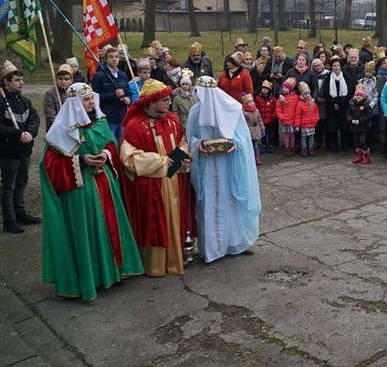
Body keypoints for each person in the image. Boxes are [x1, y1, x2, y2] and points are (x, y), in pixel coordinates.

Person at [40, 82, 143, 299]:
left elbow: (112, 145)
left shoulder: (100, 122)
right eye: (85, 100)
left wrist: (106, 154)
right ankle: (94, 277)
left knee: (111, 226)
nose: (90, 103)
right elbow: (49, 164)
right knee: (89, 230)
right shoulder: (61, 131)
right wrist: (80, 160)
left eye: (91, 99)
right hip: (82, 190)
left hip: (106, 184)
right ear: (75, 103)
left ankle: (116, 271)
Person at [120, 79, 193, 277]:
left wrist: (182, 157)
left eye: (169, 99)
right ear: (152, 103)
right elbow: (128, 158)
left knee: (175, 218)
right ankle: (155, 265)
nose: (169, 103)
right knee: (155, 224)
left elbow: (182, 142)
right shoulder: (134, 127)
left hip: (174, 181)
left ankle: (176, 257)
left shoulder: (172, 120)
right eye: (164, 100)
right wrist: (161, 162)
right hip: (151, 186)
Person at [187, 76, 261, 262]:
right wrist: (198, 145)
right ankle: (213, 249)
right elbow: (190, 138)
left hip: (228, 167)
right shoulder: (196, 112)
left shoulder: (231, 109)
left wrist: (235, 144)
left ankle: (237, 243)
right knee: (209, 204)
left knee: (231, 203)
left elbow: (243, 138)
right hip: (207, 168)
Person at [0, 61, 42, 234]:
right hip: (9, 151)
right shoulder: (2, 103)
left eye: (21, 80)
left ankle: (21, 212)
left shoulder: (25, 101)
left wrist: (30, 133)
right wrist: (17, 134)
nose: (21, 83)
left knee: (21, 182)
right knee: (8, 185)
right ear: (6, 82)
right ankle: (9, 219)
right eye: (17, 80)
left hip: (25, 149)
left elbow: (34, 119)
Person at [91, 45, 130, 141]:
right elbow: (96, 97)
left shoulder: (123, 75)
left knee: (121, 143)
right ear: (106, 59)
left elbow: (127, 91)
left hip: (122, 117)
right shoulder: (100, 76)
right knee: (110, 143)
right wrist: (113, 95)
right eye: (111, 57)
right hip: (108, 117)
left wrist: (128, 98)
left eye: (116, 57)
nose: (114, 59)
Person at [347, 84, 373, 165]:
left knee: (362, 141)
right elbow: (348, 114)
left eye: (360, 95)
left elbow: (368, 116)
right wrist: (351, 120)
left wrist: (360, 121)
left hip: (363, 127)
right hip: (355, 126)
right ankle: (359, 156)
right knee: (357, 141)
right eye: (357, 95)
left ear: (364, 96)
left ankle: (367, 156)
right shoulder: (352, 104)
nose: (358, 97)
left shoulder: (366, 106)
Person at [43, 64, 73, 131]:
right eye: (60, 79)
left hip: (73, 128)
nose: (63, 82)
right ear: (56, 80)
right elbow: (50, 114)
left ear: (71, 80)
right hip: (56, 129)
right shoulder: (50, 94)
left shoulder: (74, 92)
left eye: (66, 79)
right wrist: (62, 125)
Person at [294, 82, 319, 157]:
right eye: (305, 94)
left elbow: (316, 111)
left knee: (311, 137)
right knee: (304, 137)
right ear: (302, 95)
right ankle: (304, 149)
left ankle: (311, 148)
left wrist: (316, 118)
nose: (307, 95)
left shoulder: (312, 102)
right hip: (304, 124)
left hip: (312, 123)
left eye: (308, 93)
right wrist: (297, 125)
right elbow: (298, 115)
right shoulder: (300, 104)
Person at [276, 77, 300, 156]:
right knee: (286, 135)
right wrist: (282, 117)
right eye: (283, 87)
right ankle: (287, 148)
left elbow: (298, 109)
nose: (283, 89)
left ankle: (292, 147)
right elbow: (278, 110)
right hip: (285, 120)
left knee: (292, 135)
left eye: (286, 88)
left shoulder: (296, 97)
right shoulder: (281, 99)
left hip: (293, 120)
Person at [241, 93, 265, 165]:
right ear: (246, 103)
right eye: (249, 102)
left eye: (252, 101)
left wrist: (262, 129)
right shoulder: (244, 113)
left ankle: (257, 158)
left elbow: (259, 120)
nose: (252, 103)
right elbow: (243, 123)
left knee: (256, 144)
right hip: (249, 130)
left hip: (256, 129)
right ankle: (250, 158)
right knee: (250, 145)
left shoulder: (256, 111)